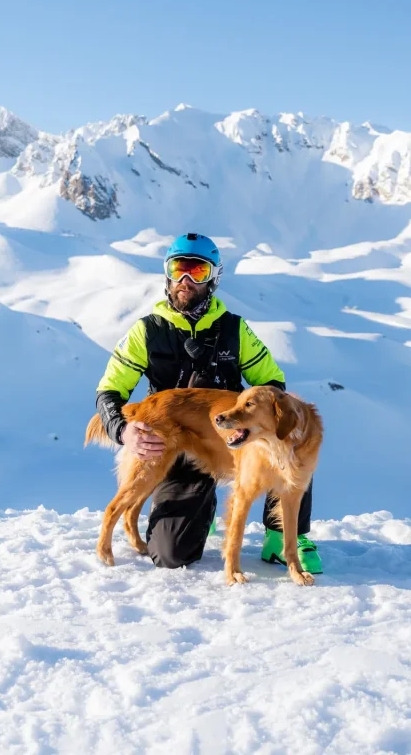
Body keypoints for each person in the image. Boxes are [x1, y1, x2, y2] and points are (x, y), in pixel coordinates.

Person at [95, 232, 322, 574]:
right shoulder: (147, 331)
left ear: (213, 278)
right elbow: (109, 391)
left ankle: (284, 537)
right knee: (172, 555)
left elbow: (274, 386)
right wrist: (123, 431)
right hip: (172, 438)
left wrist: (258, 427)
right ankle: (197, 509)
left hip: (235, 443)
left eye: (197, 272)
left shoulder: (234, 329)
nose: (185, 280)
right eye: (178, 270)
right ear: (167, 275)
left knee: (292, 433)